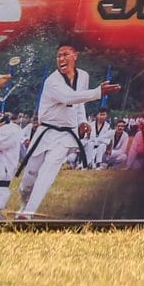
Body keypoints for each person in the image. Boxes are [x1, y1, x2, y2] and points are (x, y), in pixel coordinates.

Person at [15, 44, 120, 219]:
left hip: (65, 134)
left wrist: (82, 121)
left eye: (65, 54)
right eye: (58, 56)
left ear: (75, 56)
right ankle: (25, 203)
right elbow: (67, 97)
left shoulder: (83, 76)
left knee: (48, 171)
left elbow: (79, 103)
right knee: (29, 179)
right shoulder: (52, 81)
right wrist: (97, 92)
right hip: (45, 131)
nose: (61, 59)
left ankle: (28, 213)